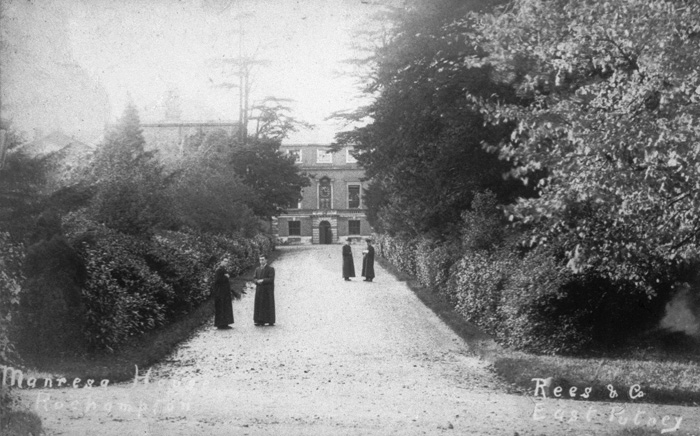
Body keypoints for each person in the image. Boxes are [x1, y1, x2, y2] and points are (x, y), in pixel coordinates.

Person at [253, 254, 276, 326]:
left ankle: (269, 320)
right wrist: (256, 281)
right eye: (260, 260)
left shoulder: (271, 269)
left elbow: (271, 279)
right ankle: (260, 320)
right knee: (259, 304)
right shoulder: (257, 269)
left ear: (266, 260)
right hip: (259, 290)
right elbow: (254, 278)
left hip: (267, 290)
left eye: (263, 259)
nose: (261, 261)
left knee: (268, 304)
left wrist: (263, 280)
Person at [213, 259, 235, 329]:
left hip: (224, 291)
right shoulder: (219, 270)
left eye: (227, 261)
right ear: (221, 262)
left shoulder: (223, 269)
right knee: (221, 307)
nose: (226, 263)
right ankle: (221, 324)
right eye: (225, 261)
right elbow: (217, 280)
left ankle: (225, 323)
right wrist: (226, 277)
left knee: (225, 306)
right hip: (220, 292)